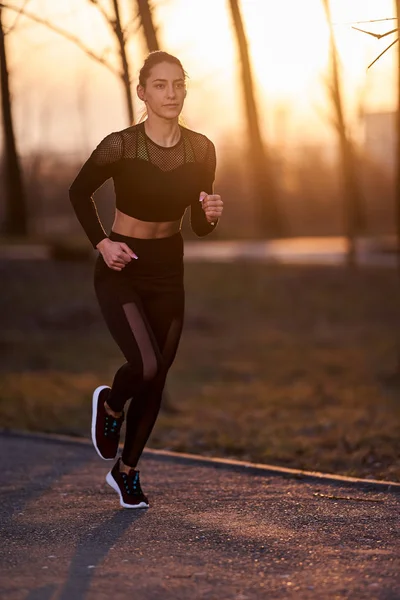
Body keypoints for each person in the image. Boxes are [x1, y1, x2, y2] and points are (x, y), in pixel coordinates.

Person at [69, 51, 223, 509]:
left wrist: (211, 215)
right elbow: (79, 193)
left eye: (178, 83)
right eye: (160, 85)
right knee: (146, 366)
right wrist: (101, 243)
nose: (171, 93)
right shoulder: (121, 144)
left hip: (168, 267)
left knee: (157, 379)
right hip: (123, 263)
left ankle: (127, 471)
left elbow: (199, 224)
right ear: (142, 92)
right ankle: (112, 405)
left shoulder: (202, 149)